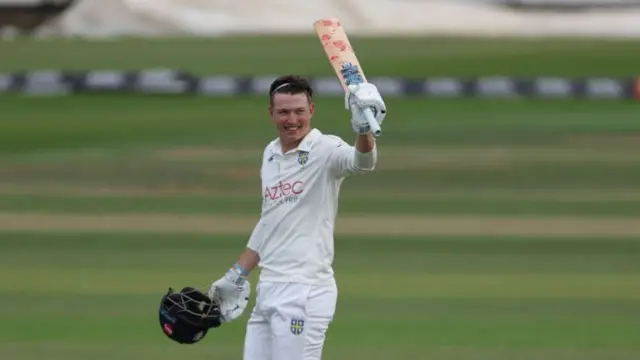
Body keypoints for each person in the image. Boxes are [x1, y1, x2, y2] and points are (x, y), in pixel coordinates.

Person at [208, 74, 386, 360]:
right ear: (271, 113)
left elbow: (362, 163)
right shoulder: (270, 153)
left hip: (305, 291)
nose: (292, 120)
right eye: (284, 112)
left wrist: (363, 129)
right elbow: (270, 220)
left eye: (299, 111)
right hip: (268, 289)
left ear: (311, 111)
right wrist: (237, 274)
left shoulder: (325, 149)